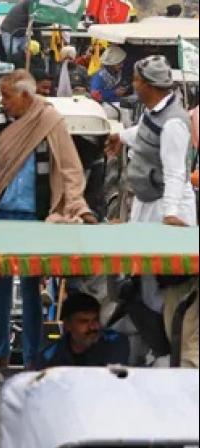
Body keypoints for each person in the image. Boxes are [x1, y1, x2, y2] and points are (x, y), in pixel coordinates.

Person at [0, 70, 96, 372]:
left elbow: (70, 168)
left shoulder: (49, 122)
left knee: (33, 289)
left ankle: (33, 357)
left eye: (7, 97)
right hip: (0, 214)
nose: (3, 103)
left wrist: (79, 208)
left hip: (36, 218)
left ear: (26, 97)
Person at [105, 56, 198, 366]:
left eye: (136, 80)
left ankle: (165, 350)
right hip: (146, 204)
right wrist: (120, 137)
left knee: (164, 286)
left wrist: (171, 215)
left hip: (165, 206)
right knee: (143, 278)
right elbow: (144, 134)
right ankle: (150, 347)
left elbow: (175, 172)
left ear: (147, 85)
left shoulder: (174, 122)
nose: (133, 85)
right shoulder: (153, 113)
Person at [39, 292, 130, 368]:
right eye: (84, 321)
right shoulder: (50, 357)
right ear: (67, 324)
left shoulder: (116, 345)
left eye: (95, 320)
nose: (93, 327)